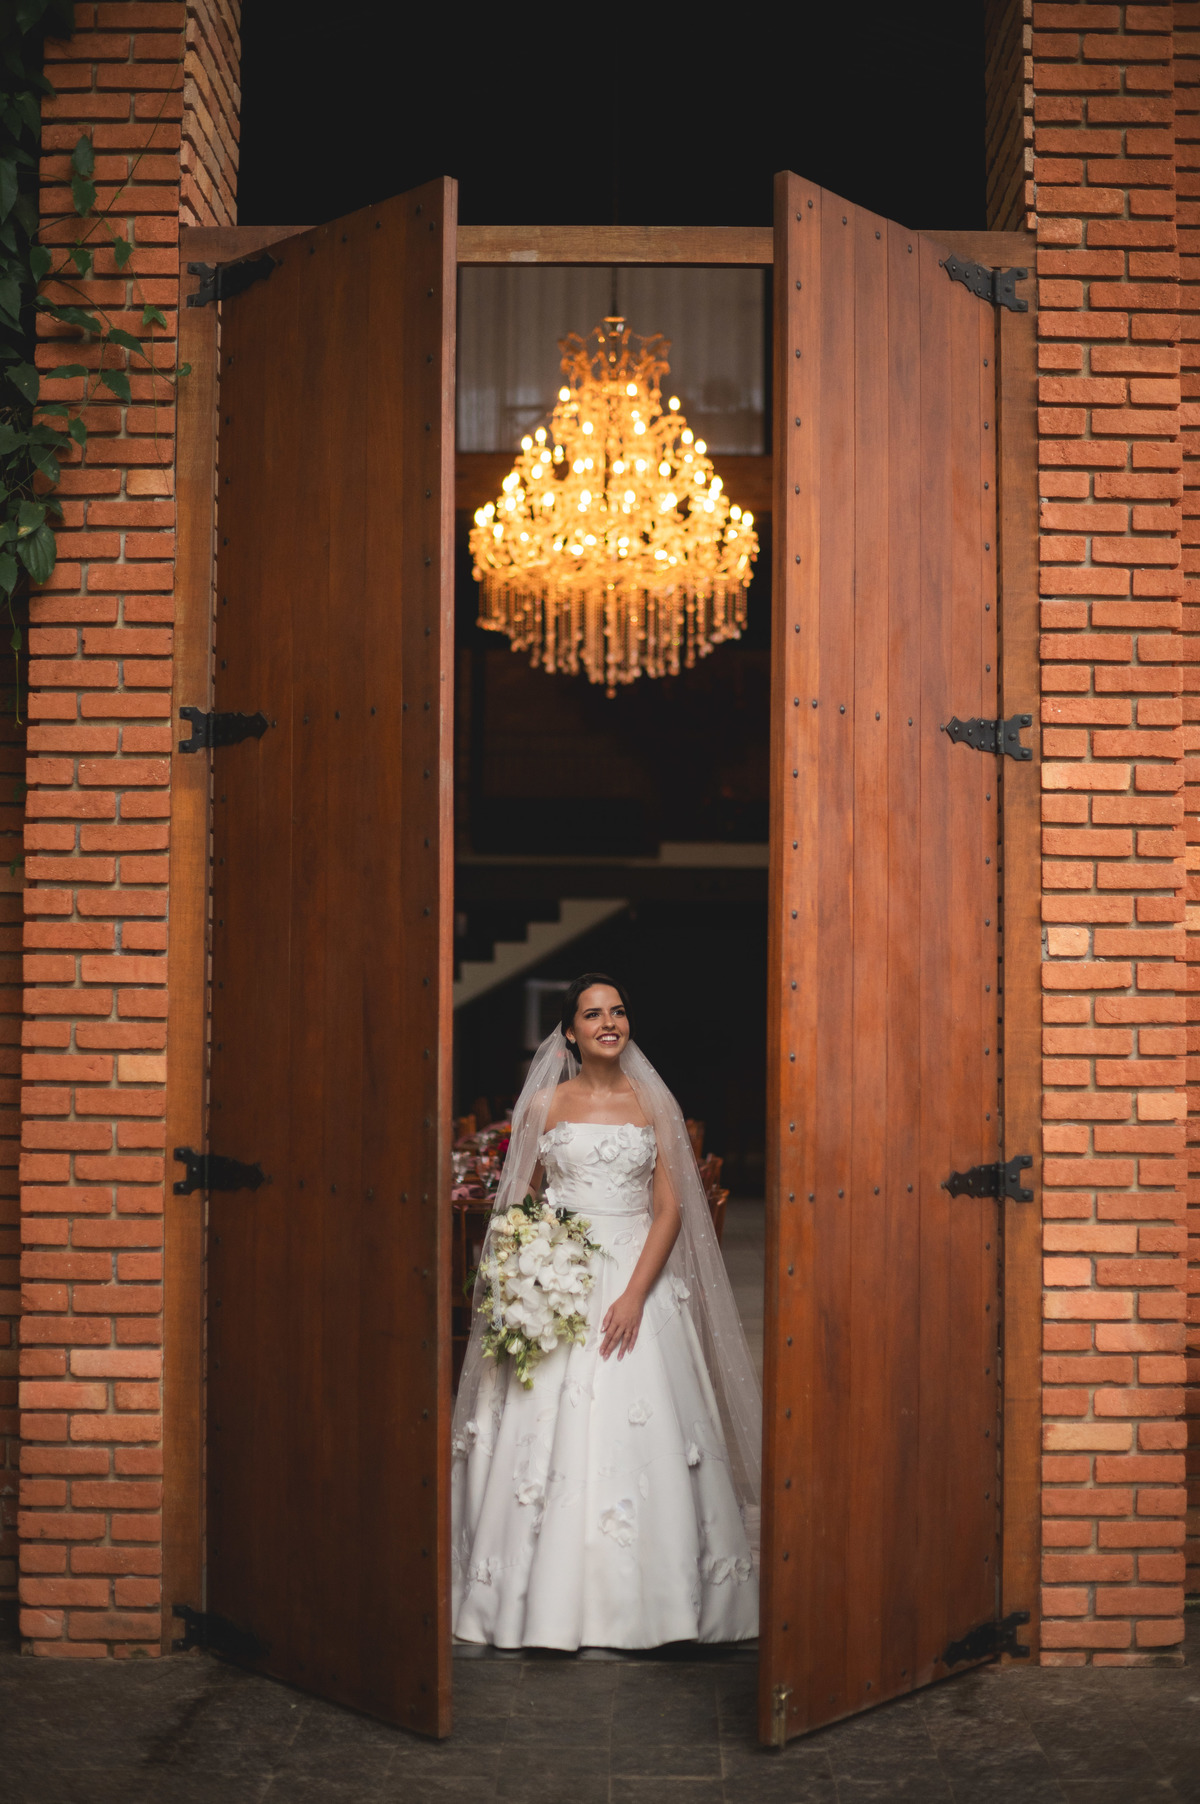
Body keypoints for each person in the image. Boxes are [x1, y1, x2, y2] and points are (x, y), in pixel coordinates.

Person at [451, 973, 760, 1650]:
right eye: (593, 1014)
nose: (609, 1022)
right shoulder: (546, 1106)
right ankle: (545, 1595)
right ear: (570, 1032)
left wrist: (631, 1296)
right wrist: (535, 1270)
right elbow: (521, 1198)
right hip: (560, 1279)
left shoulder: (653, 1103)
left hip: (633, 1271)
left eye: (618, 1011)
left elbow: (672, 1208)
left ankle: (656, 1598)